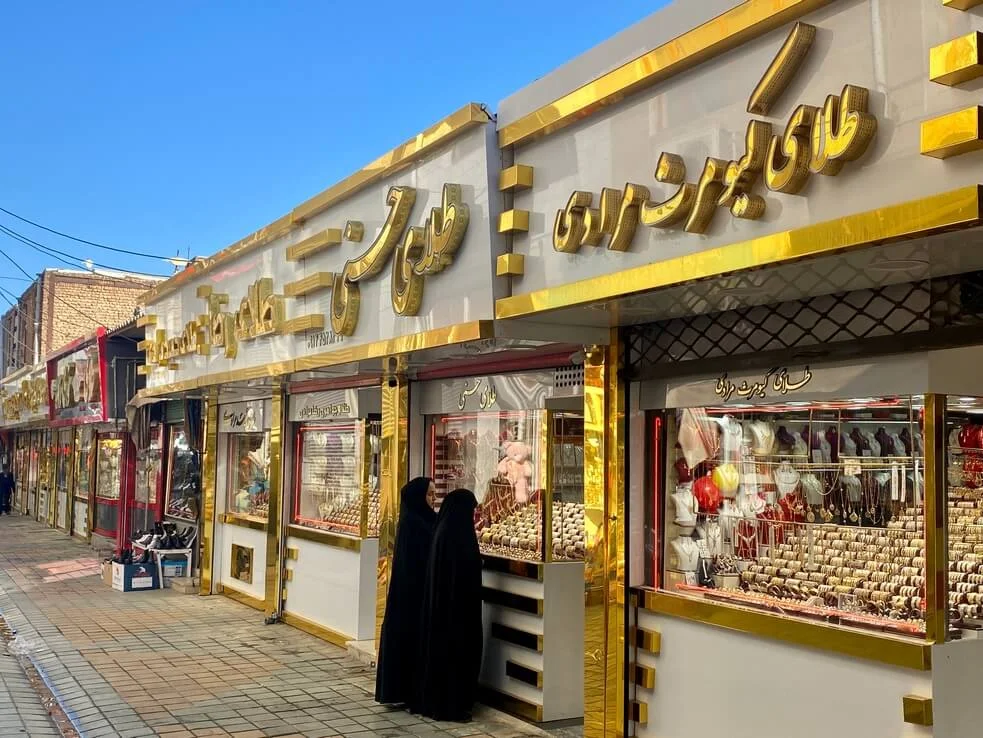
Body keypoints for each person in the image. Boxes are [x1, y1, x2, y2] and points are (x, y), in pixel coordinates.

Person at [415, 488, 483, 721]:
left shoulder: (444, 531)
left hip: (445, 613)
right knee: (457, 658)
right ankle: (452, 705)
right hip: (457, 616)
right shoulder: (457, 536)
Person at [375, 477, 437, 706]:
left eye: (434, 494)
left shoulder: (421, 519)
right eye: (429, 494)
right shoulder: (414, 523)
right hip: (411, 593)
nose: (433, 499)